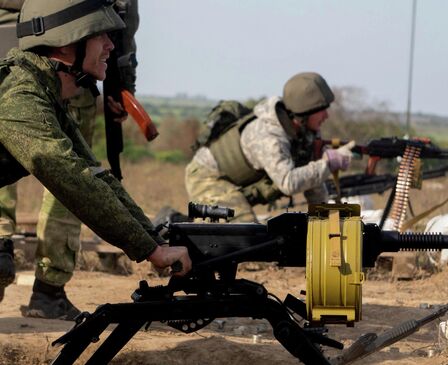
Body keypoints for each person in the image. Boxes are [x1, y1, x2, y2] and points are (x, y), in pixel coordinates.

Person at [0, 0, 192, 320]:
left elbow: (94, 175)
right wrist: (151, 251)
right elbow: (70, 178)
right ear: (67, 41)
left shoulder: (43, 88)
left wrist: (154, 241)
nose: (110, 46)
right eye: (100, 35)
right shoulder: (20, 94)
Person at [185, 72, 354, 222]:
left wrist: (326, 222)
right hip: (207, 177)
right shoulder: (269, 136)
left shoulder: (304, 131)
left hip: (235, 179)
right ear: (304, 113)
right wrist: (327, 164)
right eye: (322, 110)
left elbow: (312, 180)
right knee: (245, 234)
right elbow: (288, 182)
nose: (327, 115)